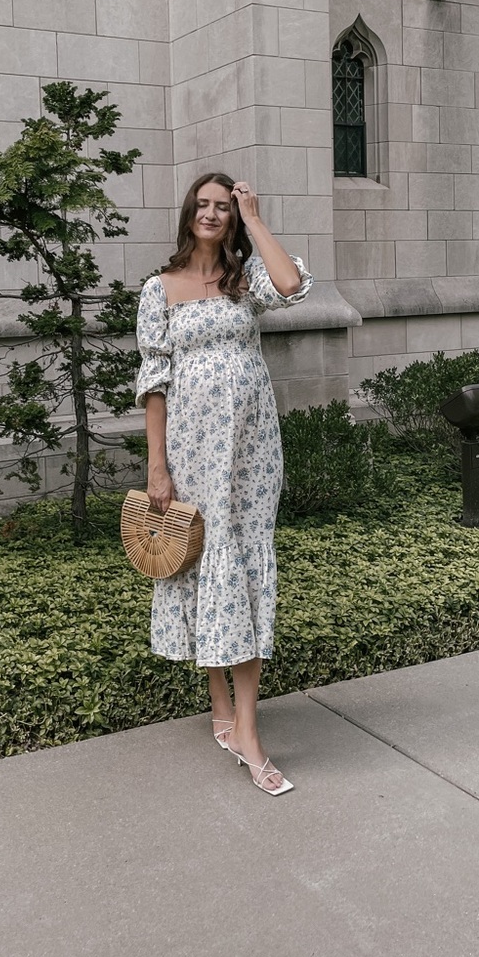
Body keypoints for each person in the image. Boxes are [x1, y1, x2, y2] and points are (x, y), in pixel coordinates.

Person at [135, 171, 313, 796]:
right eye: (203, 205)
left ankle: (246, 728)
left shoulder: (245, 280)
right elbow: (154, 383)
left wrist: (256, 216)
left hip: (252, 448)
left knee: (241, 562)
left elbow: (291, 285)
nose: (212, 214)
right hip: (191, 447)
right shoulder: (159, 289)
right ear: (188, 214)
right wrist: (158, 467)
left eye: (223, 207)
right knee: (206, 562)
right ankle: (226, 714)